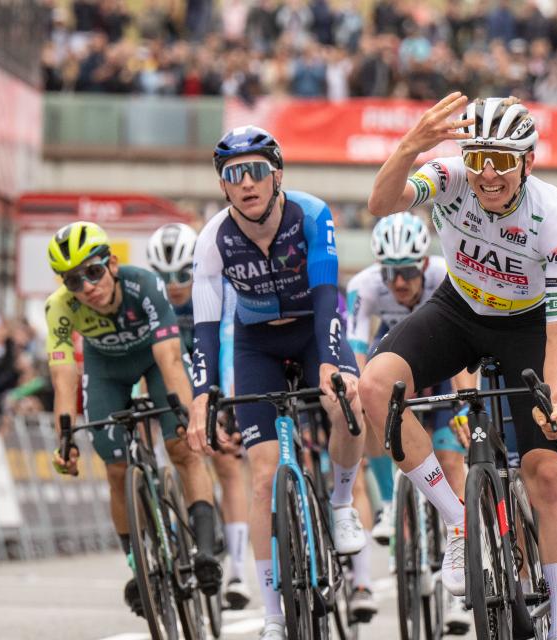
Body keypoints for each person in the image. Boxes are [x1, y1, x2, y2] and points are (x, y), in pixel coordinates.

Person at [359, 92, 557, 640]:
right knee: (374, 386)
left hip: (528, 324)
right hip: (459, 309)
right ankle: (459, 520)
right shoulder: (450, 176)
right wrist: (412, 146)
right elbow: (381, 204)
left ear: (527, 163)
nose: (487, 174)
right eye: (478, 157)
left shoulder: (552, 214)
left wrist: (553, 401)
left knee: (548, 475)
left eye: (502, 161)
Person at [185, 125, 367, 640]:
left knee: (347, 404)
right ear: (224, 186)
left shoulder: (311, 214)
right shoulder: (213, 238)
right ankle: (271, 613)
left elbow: (329, 296)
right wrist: (203, 396)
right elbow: (204, 327)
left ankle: (341, 502)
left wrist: (333, 362)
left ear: (277, 174)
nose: (246, 183)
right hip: (256, 343)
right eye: (233, 175)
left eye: (257, 171)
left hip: (313, 331)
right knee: (262, 477)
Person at [47, 221, 222, 617]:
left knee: (181, 448)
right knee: (115, 469)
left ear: (111, 263)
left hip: (155, 359)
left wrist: (186, 414)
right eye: (74, 281)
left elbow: (171, 359)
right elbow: (63, 376)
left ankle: (207, 550)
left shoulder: (144, 284)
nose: (87, 286)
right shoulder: (59, 307)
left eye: (93, 272)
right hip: (105, 369)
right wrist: (65, 438)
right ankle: (137, 564)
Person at [347, 211, 471, 631]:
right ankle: (389, 507)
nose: (399, 282)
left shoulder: (446, 275)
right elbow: (358, 353)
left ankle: (462, 577)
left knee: (453, 461)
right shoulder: (364, 288)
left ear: (423, 264)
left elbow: (464, 353)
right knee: (367, 403)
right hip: (396, 379)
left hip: (443, 372)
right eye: (390, 272)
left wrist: (465, 403)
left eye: (407, 272)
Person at [146, 222, 252, 609]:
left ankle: (239, 571)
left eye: (182, 274)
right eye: (165, 276)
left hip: (216, 374)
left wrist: (228, 405)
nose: (174, 284)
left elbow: (227, 344)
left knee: (227, 466)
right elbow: (151, 362)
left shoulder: (217, 288)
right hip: (175, 377)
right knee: (175, 456)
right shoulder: (151, 301)